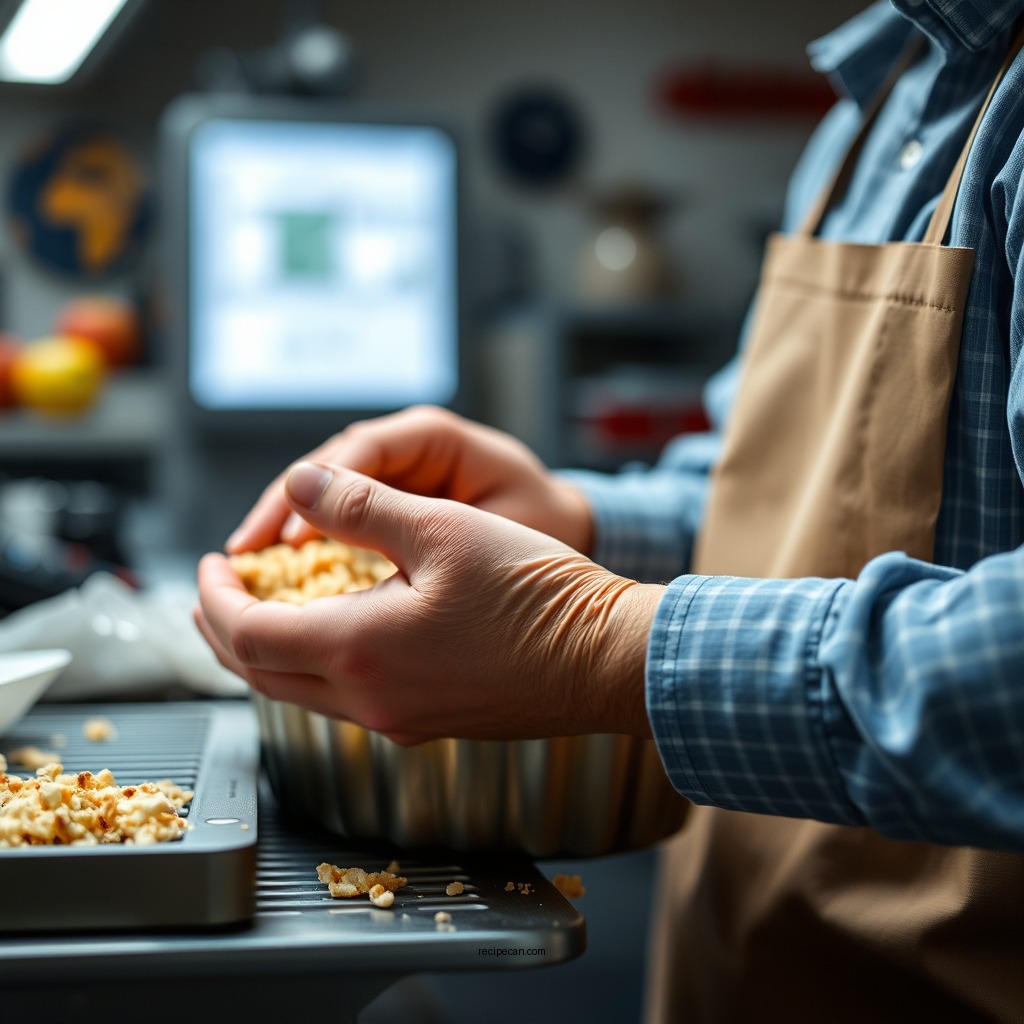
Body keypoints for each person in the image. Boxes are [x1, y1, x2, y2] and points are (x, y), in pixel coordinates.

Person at [195, 1, 1024, 1020]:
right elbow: (778, 497)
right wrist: (569, 519)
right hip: (749, 960)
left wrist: (594, 640)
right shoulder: (873, 106)